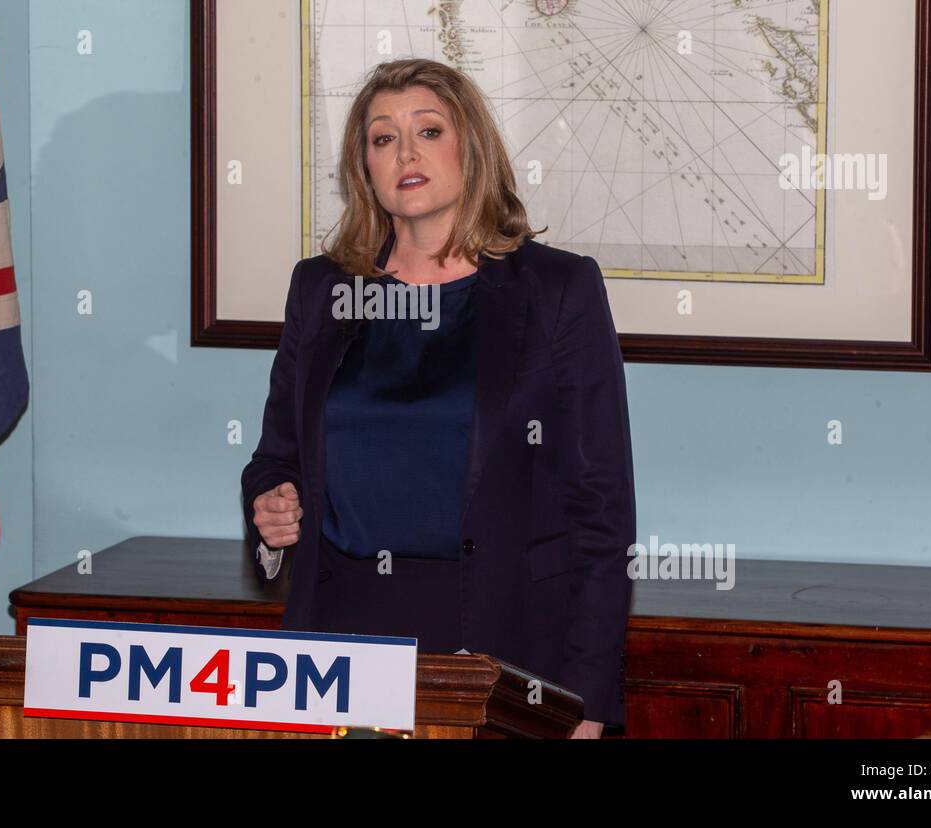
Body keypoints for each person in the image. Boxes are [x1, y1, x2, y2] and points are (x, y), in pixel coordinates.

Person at [240, 57, 636, 738]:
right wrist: (271, 501)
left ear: (470, 148)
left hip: (500, 645)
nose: (406, 152)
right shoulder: (321, 290)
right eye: (383, 138)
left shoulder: (557, 290)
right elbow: (277, 456)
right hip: (340, 641)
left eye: (428, 130)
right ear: (364, 166)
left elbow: (603, 513)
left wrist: (590, 704)